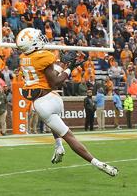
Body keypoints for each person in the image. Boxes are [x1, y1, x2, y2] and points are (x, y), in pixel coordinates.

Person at [16, 28, 118, 176]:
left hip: (42, 102)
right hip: (53, 98)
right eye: (37, 39)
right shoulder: (43, 56)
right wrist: (69, 67)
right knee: (66, 133)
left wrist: (63, 65)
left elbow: (46, 73)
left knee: (60, 128)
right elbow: (55, 81)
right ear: (31, 44)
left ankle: (62, 148)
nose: (42, 40)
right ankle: (92, 161)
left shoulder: (23, 58)